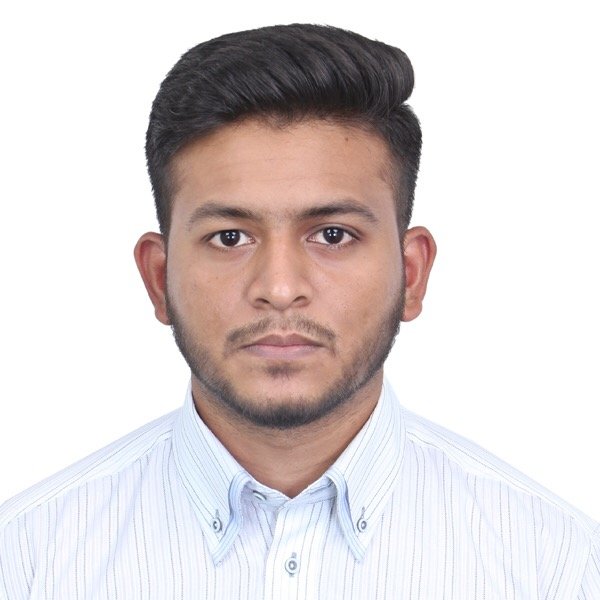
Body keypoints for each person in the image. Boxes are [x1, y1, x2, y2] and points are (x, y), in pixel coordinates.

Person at [0, 23, 598, 599]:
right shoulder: (27, 560)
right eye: (230, 237)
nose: (280, 288)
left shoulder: (554, 565)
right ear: (159, 279)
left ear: (412, 274)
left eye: (333, 235)